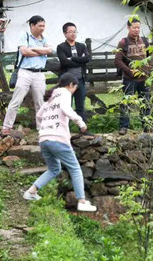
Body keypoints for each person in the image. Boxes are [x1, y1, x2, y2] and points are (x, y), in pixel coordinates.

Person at [22, 74, 97, 212]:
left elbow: (39, 115)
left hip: (44, 139)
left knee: (54, 169)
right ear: (71, 85)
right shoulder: (65, 93)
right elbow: (66, 108)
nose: (74, 90)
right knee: (75, 169)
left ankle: (31, 192)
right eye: (75, 87)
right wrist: (80, 122)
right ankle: (82, 201)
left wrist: (43, 129)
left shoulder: (51, 97)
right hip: (58, 139)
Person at [2, 15, 52, 136]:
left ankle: (42, 128)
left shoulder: (44, 38)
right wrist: (41, 51)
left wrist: (33, 49)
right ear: (32, 25)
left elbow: (49, 50)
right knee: (16, 100)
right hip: (25, 72)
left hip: (39, 73)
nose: (42, 28)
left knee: (40, 102)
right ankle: (6, 127)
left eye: (43, 26)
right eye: (40, 26)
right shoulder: (24, 35)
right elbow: (24, 51)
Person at [114, 17, 151, 135]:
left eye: (138, 27)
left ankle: (147, 126)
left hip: (144, 78)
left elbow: (151, 56)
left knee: (146, 102)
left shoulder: (145, 41)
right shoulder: (123, 42)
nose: (137, 30)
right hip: (129, 79)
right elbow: (117, 61)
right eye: (134, 27)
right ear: (128, 28)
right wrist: (129, 71)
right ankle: (124, 127)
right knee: (126, 103)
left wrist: (148, 69)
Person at [57, 22, 92, 120]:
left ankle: (83, 129)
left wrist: (72, 58)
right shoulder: (61, 47)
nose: (73, 34)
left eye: (75, 31)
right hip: (67, 82)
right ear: (65, 33)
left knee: (80, 106)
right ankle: (65, 131)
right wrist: (80, 60)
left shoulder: (81, 46)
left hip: (80, 79)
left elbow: (88, 58)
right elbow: (64, 62)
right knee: (66, 106)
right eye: (70, 32)